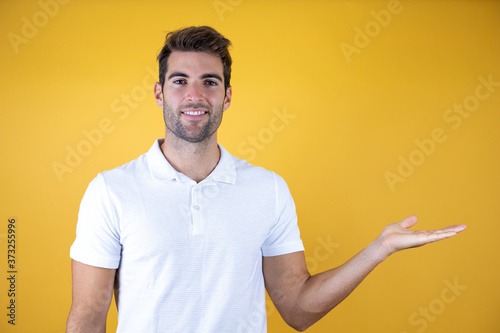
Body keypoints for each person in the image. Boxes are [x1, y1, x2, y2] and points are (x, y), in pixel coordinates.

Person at [66, 26, 466, 333]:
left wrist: (378, 249)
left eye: (210, 82)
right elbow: (88, 315)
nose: (195, 95)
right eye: (179, 81)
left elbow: (297, 308)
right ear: (158, 93)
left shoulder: (267, 189)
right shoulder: (111, 190)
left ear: (226, 96)